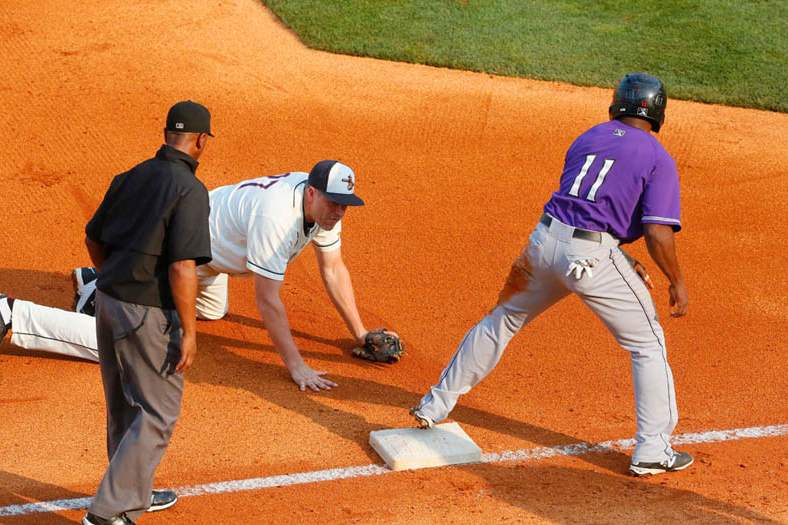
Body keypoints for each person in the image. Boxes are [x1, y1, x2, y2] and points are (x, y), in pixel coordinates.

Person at [410, 73, 693, 477]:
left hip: (543, 242)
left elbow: (583, 206)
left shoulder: (589, 137)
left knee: (502, 320)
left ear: (616, 104)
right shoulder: (657, 156)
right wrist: (676, 280)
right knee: (648, 344)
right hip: (590, 258)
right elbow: (657, 232)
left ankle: (433, 405)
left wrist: (620, 254)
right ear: (658, 112)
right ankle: (652, 449)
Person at [0, 159, 385, 392]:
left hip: (206, 255)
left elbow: (333, 268)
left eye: (345, 205)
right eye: (334, 203)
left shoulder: (325, 209)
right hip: (173, 250)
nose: (339, 212)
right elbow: (268, 301)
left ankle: (101, 284)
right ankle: (14, 315)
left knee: (212, 311)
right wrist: (297, 366)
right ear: (312, 193)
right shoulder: (277, 216)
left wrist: (361, 333)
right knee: (136, 349)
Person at [84, 100, 213, 525]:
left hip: (108, 301)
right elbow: (181, 267)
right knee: (158, 412)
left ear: (166, 135)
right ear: (201, 140)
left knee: (123, 404)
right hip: (146, 314)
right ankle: (108, 513)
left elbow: (93, 237)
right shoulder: (189, 190)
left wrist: (115, 277)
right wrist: (190, 331)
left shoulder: (130, 176)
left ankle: (131, 492)